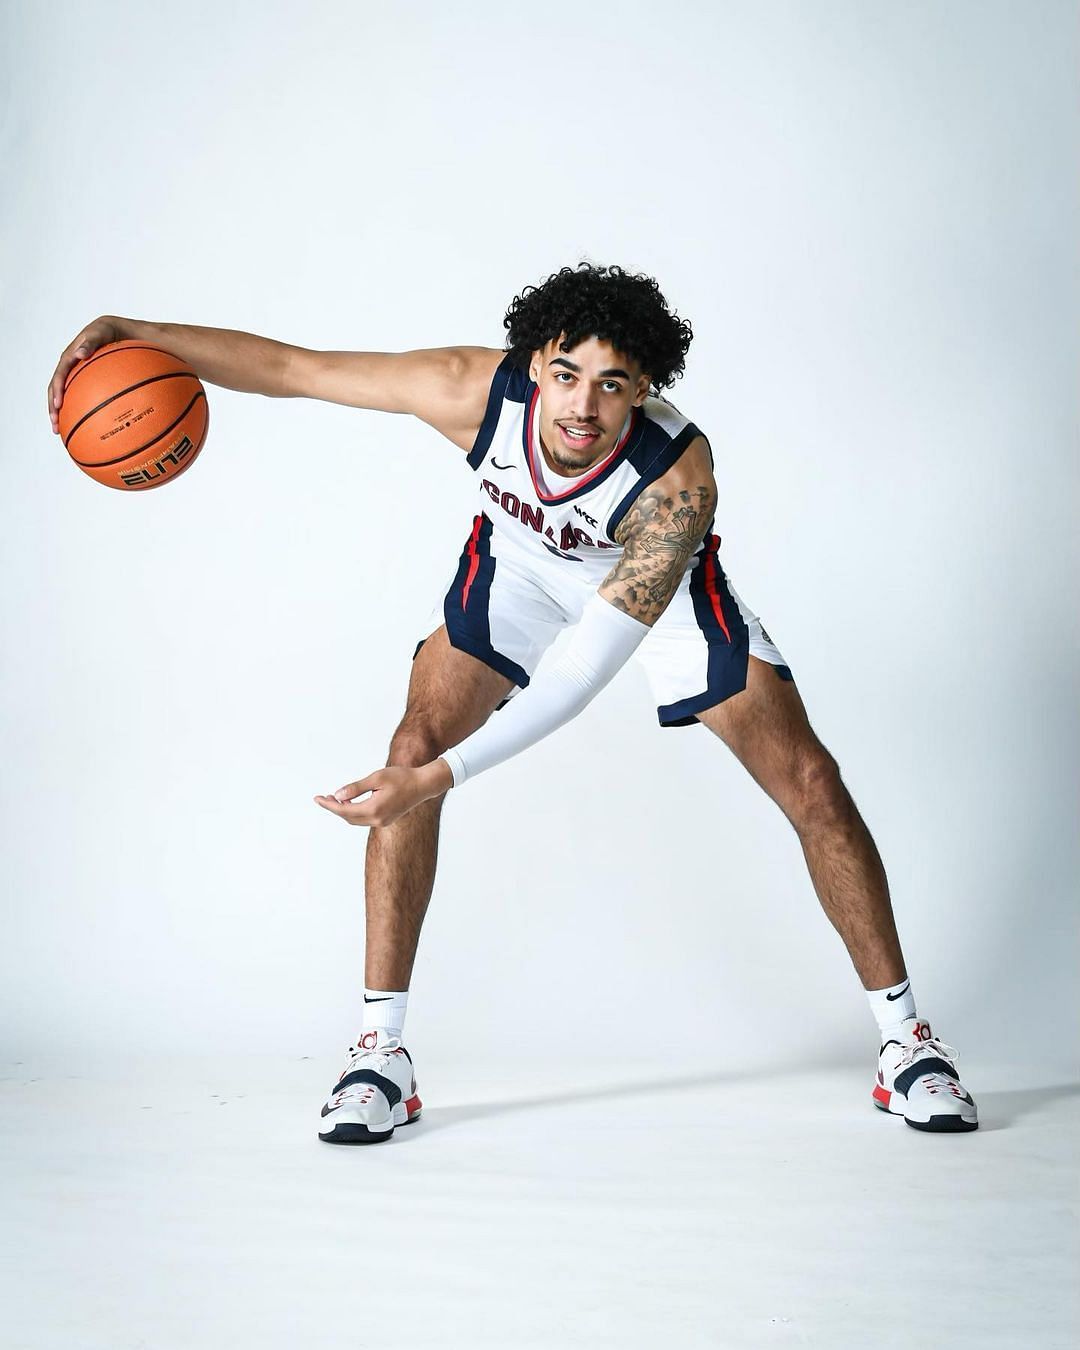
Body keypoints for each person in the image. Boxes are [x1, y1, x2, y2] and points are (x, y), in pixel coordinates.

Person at [48, 263, 978, 1143]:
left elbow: (579, 675)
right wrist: (140, 334)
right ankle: (381, 1057)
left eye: (613, 385)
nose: (581, 404)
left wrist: (441, 782)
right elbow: (297, 368)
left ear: (644, 386)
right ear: (535, 363)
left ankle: (906, 1041)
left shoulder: (675, 484)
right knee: (410, 741)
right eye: (566, 373)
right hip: (523, 568)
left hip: (651, 588)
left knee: (811, 782)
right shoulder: (469, 390)